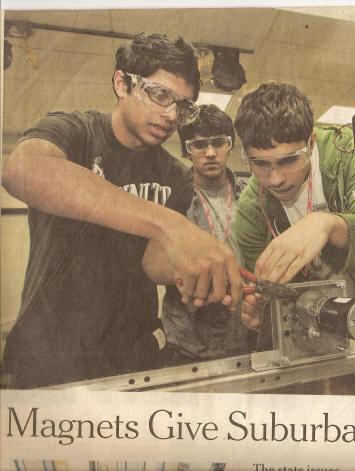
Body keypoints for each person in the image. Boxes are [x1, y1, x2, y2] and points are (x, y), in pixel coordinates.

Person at [1, 34, 242, 389]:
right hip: (51, 349)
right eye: (160, 95)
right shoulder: (75, 131)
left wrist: (201, 272)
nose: (172, 115)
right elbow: (22, 170)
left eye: (183, 105)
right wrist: (168, 223)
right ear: (122, 83)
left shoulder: (176, 175)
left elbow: (152, 263)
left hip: (132, 354)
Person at [234, 82, 355, 332]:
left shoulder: (347, 150)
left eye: (289, 161)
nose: (276, 179)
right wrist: (264, 312)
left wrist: (325, 223)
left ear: (312, 143)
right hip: (315, 331)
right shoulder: (251, 209)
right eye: (260, 164)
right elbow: (274, 296)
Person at [162, 104, 249, 361]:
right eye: (199, 145)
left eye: (218, 143)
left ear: (230, 145)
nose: (210, 153)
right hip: (190, 340)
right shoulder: (172, 198)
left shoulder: (253, 194)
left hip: (246, 332)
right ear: (187, 151)